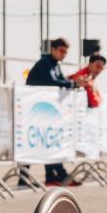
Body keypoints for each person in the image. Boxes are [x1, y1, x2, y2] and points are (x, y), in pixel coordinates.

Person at [27, 37, 89, 185]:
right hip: (36, 109)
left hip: (46, 110)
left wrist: (74, 82)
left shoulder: (55, 64)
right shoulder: (44, 63)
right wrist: (73, 83)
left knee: (49, 142)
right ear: (53, 49)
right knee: (31, 143)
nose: (63, 54)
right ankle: (54, 175)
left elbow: (62, 80)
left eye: (66, 52)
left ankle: (54, 175)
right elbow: (52, 82)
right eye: (61, 51)